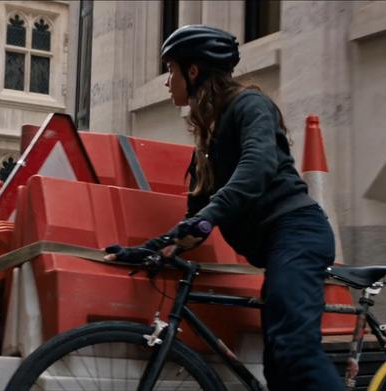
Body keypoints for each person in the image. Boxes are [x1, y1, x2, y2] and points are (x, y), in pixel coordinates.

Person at [103, 25, 341, 390]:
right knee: (277, 368)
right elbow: (193, 221)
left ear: (193, 71)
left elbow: (257, 165)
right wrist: (144, 251)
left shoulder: (250, 106)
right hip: (276, 246)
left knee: (295, 351)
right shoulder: (209, 138)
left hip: (298, 233)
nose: (168, 81)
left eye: (171, 69)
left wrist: (210, 217)